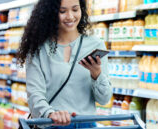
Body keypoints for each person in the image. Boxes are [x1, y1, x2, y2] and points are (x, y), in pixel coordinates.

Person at [16, 0, 112, 128]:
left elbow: (104, 99)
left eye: (75, 9)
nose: (70, 16)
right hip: (51, 124)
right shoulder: (38, 49)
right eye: (62, 11)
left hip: (86, 125)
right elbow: (35, 94)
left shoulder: (95, 45)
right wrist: (50, 114)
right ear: (51, 13)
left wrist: (97, 74)